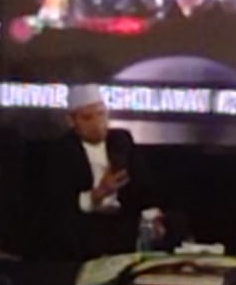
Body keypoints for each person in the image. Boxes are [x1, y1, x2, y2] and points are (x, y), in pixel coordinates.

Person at [36, 84, 155, 259]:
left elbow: (144, 187)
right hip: (84, 225)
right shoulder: (61, 151)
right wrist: (97, 194)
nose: (97, 123)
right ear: (71, 121)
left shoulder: (121, 140)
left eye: (101, 114)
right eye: (87, 118)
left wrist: (152, 214)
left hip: (123, 222)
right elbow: (58, 204)